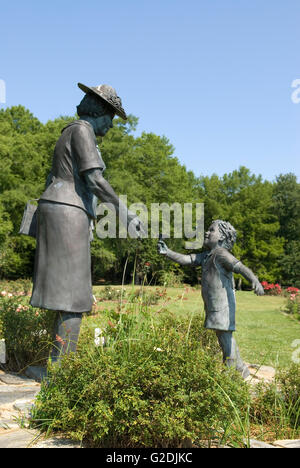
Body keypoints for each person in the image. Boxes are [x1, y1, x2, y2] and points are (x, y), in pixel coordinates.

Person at [30, 83, 145, 366]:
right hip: (68, 211)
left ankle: (57, 365)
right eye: (112, 117)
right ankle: (62, 372)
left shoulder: (69, 132)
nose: (113, 125)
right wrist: (126, 214)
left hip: (62, 209)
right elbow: (94, 180)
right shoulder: (82, 131)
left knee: (64, 291)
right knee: (73, 292)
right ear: (101, 111)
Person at [157, 219, 264, 379]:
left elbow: (240, 267)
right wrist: (168, 252)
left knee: (225, 334)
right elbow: (188, 259)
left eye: (211, 230)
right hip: (214, 305)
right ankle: (239, 367)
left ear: (221, 237)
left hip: (223, 305)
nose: (207, 233)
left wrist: (255, 281)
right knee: (223, 335)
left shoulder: (221, 254)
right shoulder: (207, 255)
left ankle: (231, 367)